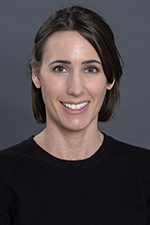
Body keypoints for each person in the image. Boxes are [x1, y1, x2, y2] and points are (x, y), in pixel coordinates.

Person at [0, 5, 150, 225]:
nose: (76, 89)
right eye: (60, 68)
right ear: (36, 74)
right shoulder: (4, 174)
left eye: (90, 69)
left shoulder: (144, 171)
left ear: (110, 79)